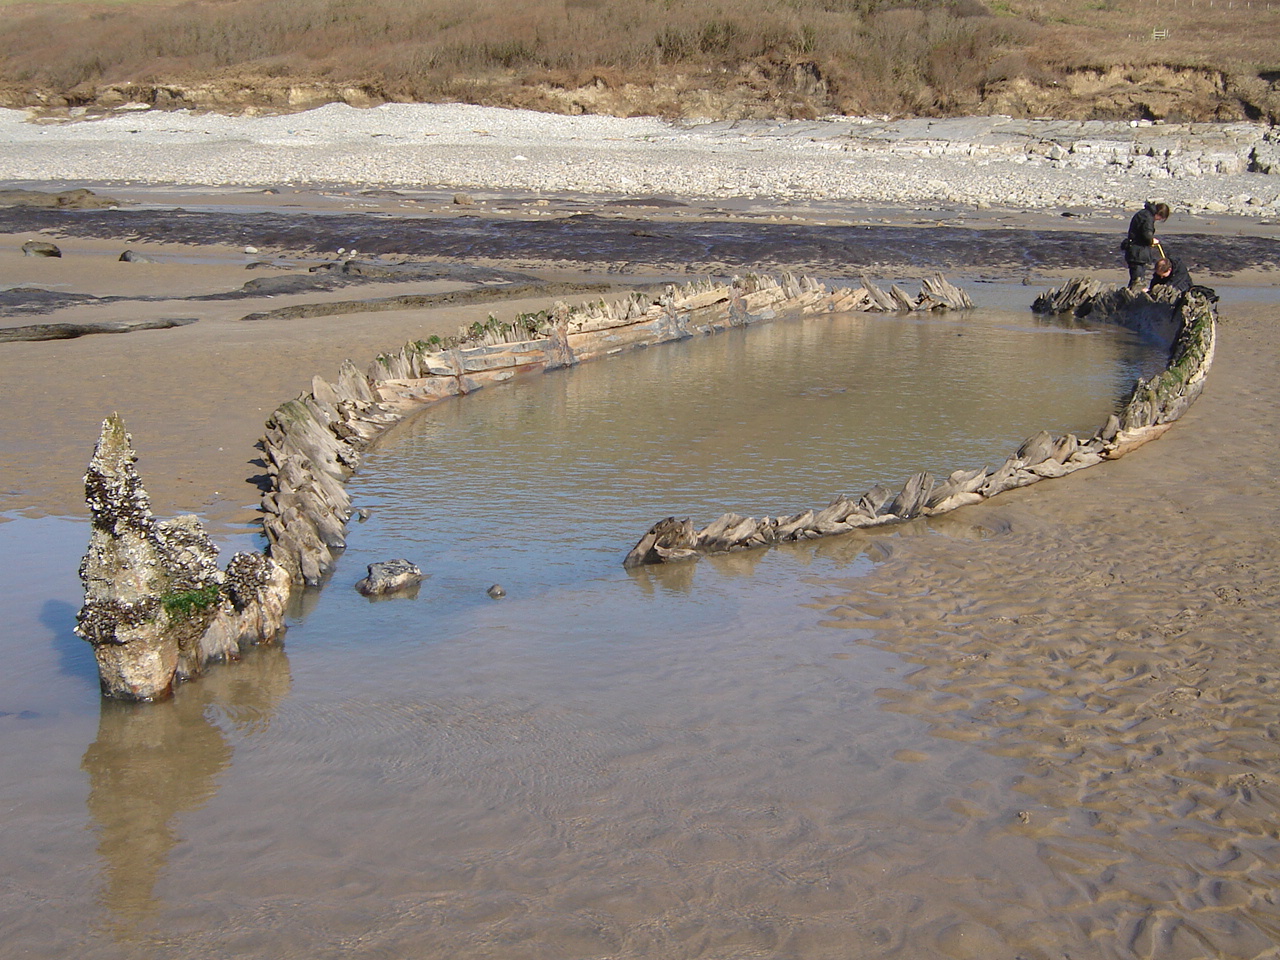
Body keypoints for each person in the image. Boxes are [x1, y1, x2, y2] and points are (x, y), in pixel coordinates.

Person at [1121, 201, 1170, 288]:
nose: (1158, 220)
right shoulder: (1147, 217)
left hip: (1135, 250)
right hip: (1137, 252)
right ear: (1159, 214)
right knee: (1137, 280)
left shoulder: (1144, 214)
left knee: (1136, 279)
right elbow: (1147, 234)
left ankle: (1132, 295)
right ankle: (1133, 298)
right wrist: (1152, 241)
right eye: (1160, 218)